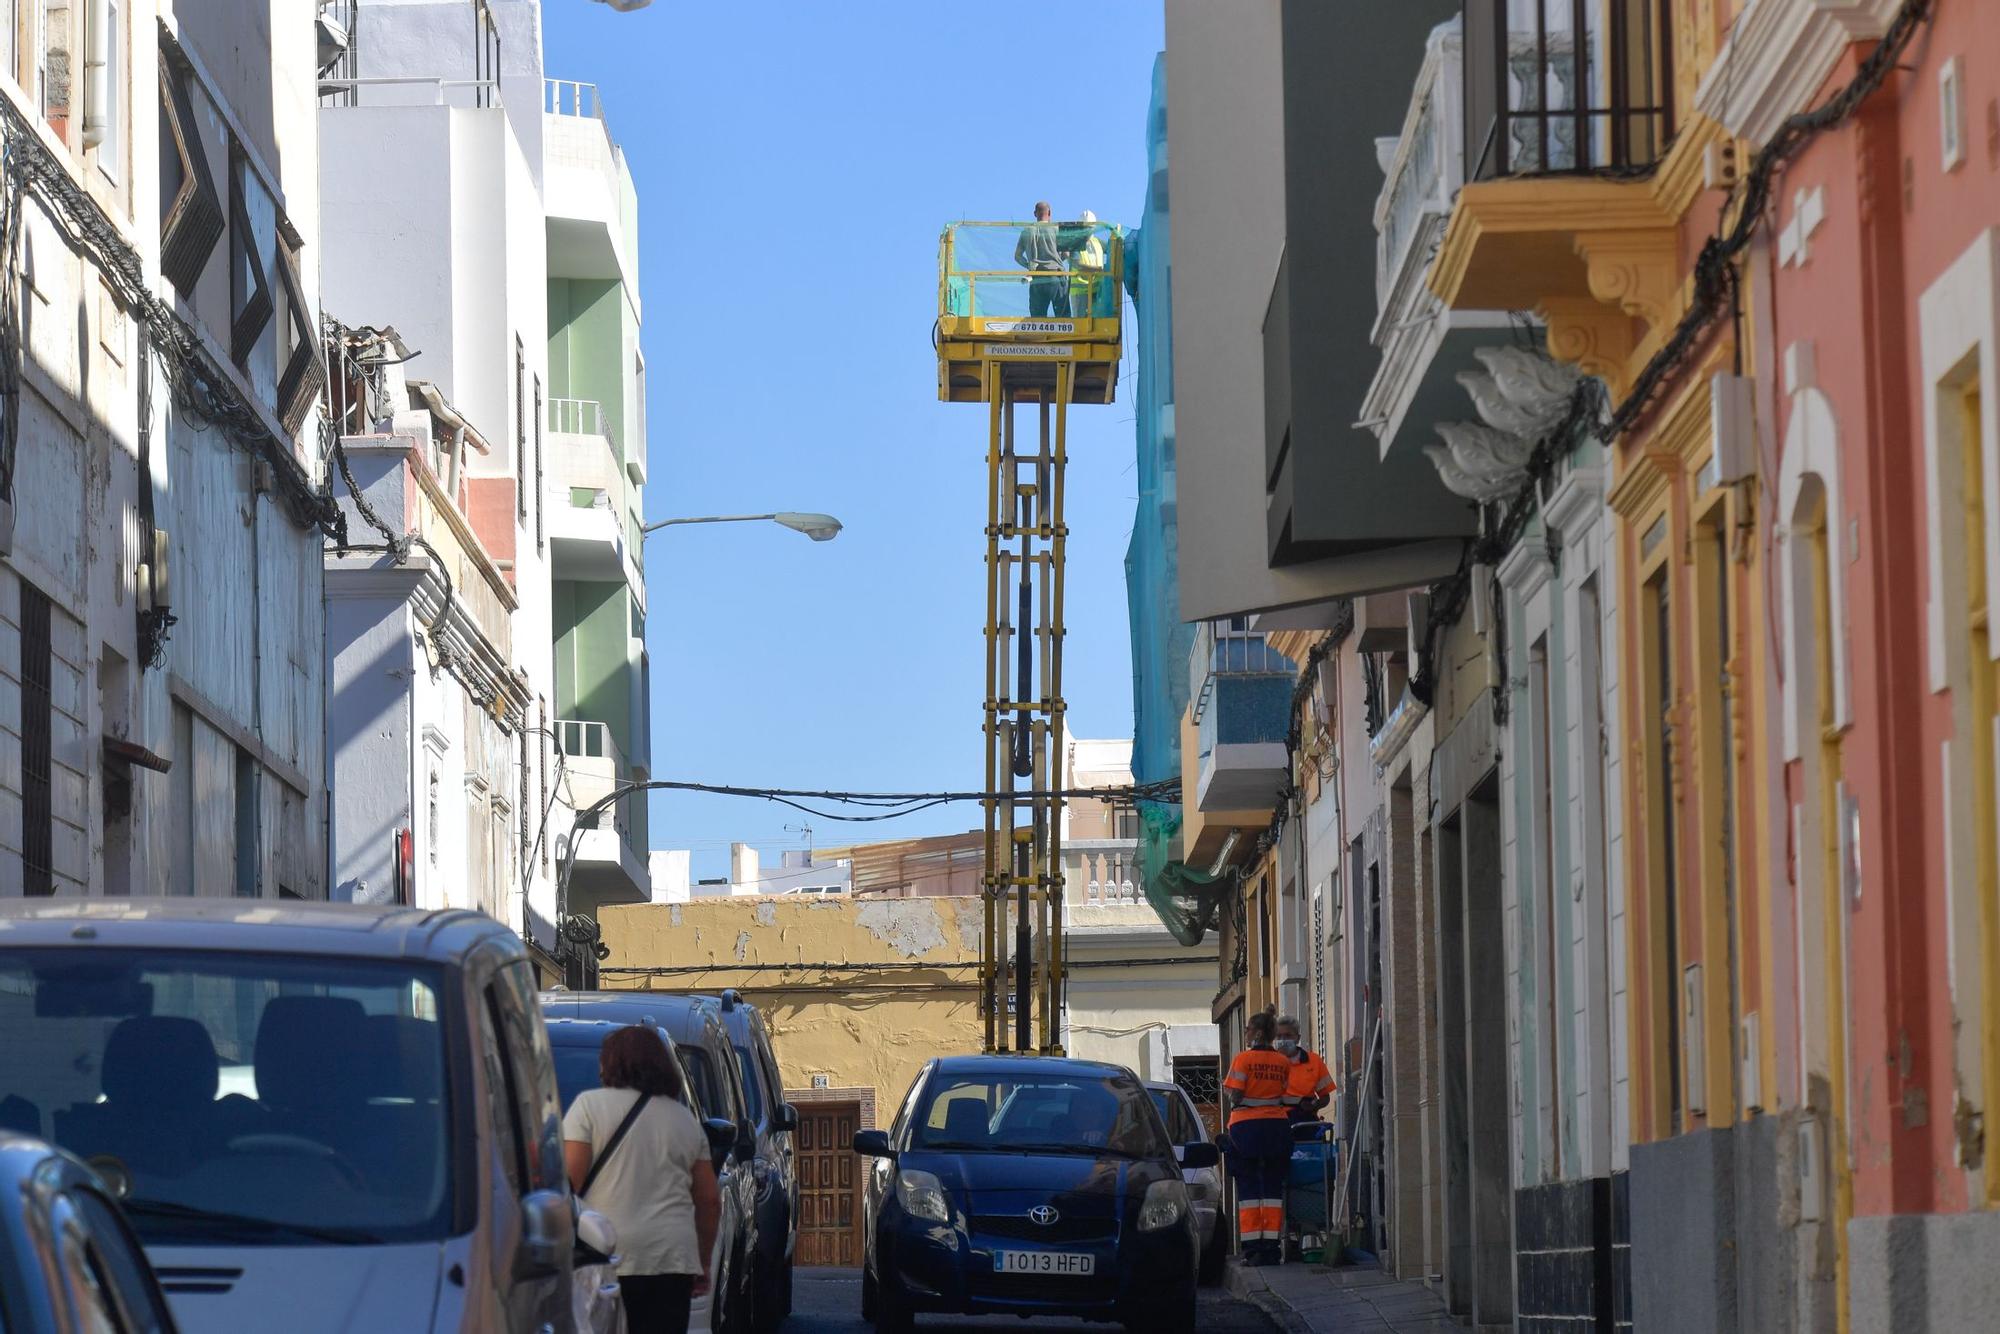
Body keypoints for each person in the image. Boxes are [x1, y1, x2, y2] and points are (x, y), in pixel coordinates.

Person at [563, 1026, 722, 1334]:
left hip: (606, 1256)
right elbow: (709, 1200)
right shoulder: (684, 1120)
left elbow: (570, 1184)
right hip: (671, 1259)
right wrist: (702, 1261)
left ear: (612, 1063)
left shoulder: (588, 1107)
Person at [1221, 1009, 1294, 1266]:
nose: (1246, 1033)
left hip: (1246, 1128)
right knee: (1273, 1188)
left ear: (1258, 1033)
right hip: (1277, 1127)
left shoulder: (1243, 1060)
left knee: (1250, 1189)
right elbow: (1284, 1093)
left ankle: (1253, 1249)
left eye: (1248, 1029)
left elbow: (1235, 1094)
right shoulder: (1283, 1062)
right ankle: (1272, 1247)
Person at [1275, 1015, 1335, 1124]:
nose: (1282, 1040)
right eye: (1279, 1036)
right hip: (1276, 1118)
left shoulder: (1314, 1061)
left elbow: (1325, 1097)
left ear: (1297, 1038)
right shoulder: (1269, 1062)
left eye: (1288, 1036)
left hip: (1305, 1117)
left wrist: (1313, 1106)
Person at [1015, 200, 1069, 318]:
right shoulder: (1056, 229)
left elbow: (1017, 256)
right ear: (1049, 213)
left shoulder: (1027, 230)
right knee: (1063, 318)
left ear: (1035, 214)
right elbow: (1066, 254)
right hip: (1056, 276)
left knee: (1038, 319)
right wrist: (1057, 260)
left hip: (1036, 278)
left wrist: (1029, 265)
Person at [1069, 209, 1107, 319]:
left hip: (1097, 289)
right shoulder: (1075, 243)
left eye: (1090, 227)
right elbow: (1078, 265)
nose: (1088, 230)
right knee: (1081, 325)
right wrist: (1098, 270)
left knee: (1097, 323)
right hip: (1081, 293)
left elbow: (1112, 247)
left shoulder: (1097, 242)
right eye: (1086, 227)